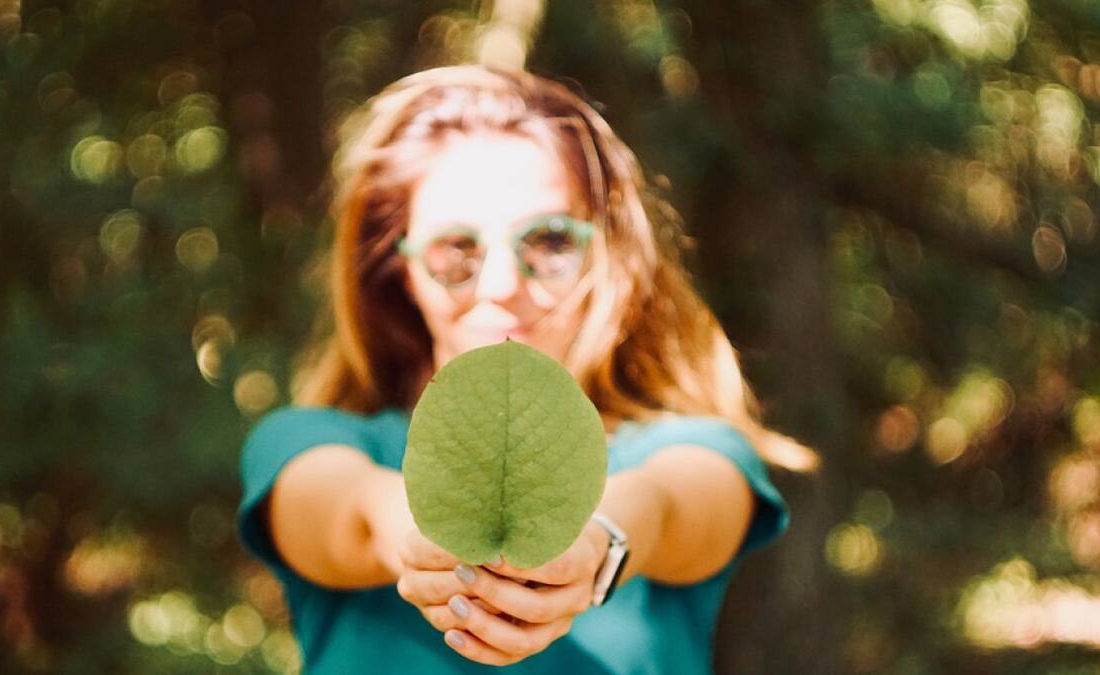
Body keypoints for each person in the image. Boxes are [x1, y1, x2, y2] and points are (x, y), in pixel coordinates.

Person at [237, 64, 818, 674]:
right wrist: (420, 538)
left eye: (549, 242)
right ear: (398, 272)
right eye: (455, 250)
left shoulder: (692, 449)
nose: (502, 285)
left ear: (605, 253)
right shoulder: (305, 443)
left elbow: (669, 505)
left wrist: (598, 543)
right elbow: (348, 513)